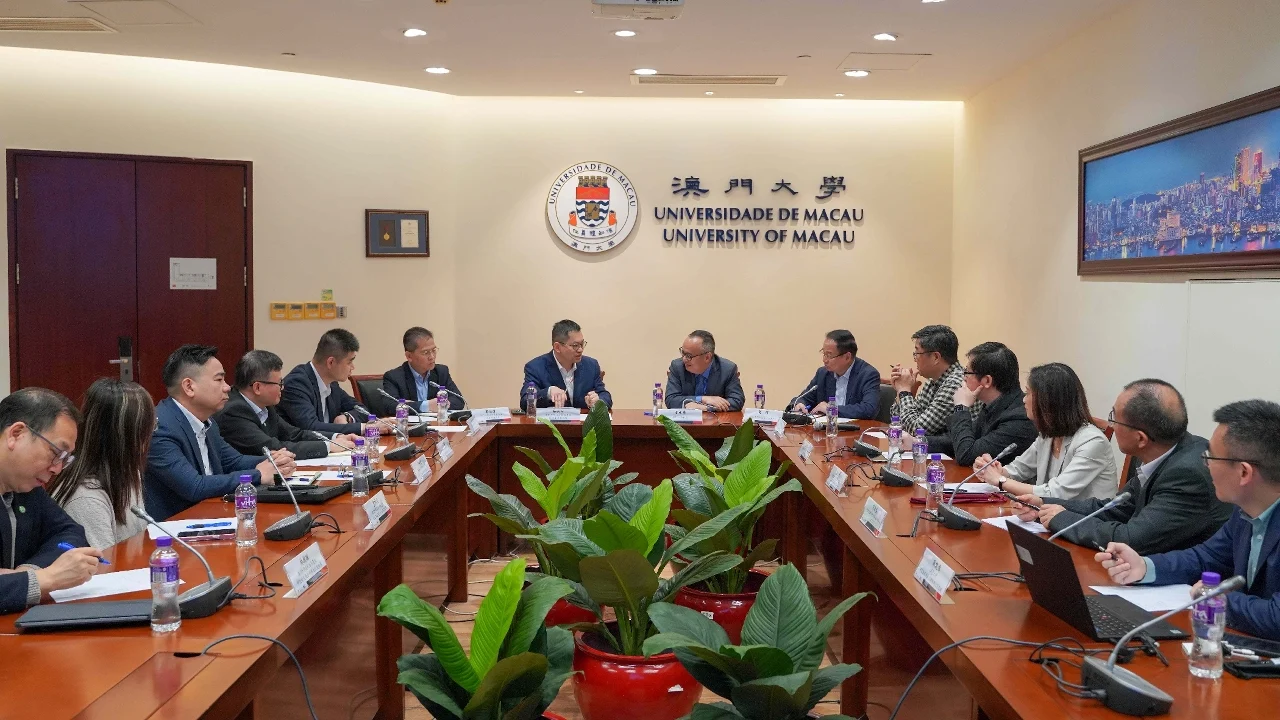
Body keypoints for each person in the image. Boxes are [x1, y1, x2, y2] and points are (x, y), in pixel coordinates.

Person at [1097, 400, 1280, 640]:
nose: (1206, 465)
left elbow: (1277, 617)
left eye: (1211, 457)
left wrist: (1215, 597)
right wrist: (1144, 567)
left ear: (1244, 472)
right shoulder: (1245, 510)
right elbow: (1205, 558)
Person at [1015, 378, 1232, 553]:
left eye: (1114, 418)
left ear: (1140, 438)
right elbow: (1117, 508)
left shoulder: (1187, 475)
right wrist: (1044, 502)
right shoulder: (1160, 450)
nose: (1110, 424)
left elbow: (1130, 539)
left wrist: (1061, 518)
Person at [144, 345, 296, 521]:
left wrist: (274, 460)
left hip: (210, 516)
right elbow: (194, 487)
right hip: (174, 527)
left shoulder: (207, 422)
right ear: (189, 387)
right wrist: (259, 475)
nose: (227, 387)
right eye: (219, 380)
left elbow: (234, 461)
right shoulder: (159, 428)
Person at [0, 388, 104, 615]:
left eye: (65, 459)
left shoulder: (27, 489)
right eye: (56, 452)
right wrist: (45, 579)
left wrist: (27, 573)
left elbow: (71, 534)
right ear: (16, 434)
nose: (57, 468)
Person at [975, 362, 1116, 500]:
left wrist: (1000, 480)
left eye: (1028, 393)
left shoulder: (1093, 442)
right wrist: (994, 470)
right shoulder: (1048, 435)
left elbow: (1056, 492)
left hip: (1084, 515)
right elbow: (1019, 469)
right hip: (1049, 512)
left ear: (1049, 401)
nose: (1024, 400)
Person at [48, 379, 153, 549]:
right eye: (149, 428)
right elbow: (104, 563)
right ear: (131, 437)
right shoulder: (85, 498)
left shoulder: (128, 472)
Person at [214, 350, 359, 461]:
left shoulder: (265, 405)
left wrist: (336, 437)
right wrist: (328, 447)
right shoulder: (234, 411)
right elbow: (273, 447)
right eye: (279, 383)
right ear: (257, 387)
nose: (282, 388)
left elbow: (294, 434)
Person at [927, 342, 1037, 466]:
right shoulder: (994, 404)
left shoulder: (1019, 419)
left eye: (967, 372)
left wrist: (961, 407)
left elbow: (966, 455)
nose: (964, 378)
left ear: (987, 381)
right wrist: (918, 442)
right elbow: (959, 441)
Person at [280, 328, 389, 436]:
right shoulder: (296, 384)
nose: (353, 367)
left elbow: (361, 409)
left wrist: (347, 417)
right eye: (349, 362)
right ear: (331, 362)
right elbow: (311, 427)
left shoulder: (331, 383)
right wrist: (365, 428)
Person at [890, 325, 966, 435]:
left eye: (917, 353)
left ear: (935, 357)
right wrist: (900, 390)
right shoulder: (933, 380)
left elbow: (917, 430)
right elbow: (897, 422)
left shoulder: (956, 383)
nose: (915, 359)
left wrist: (905, 391)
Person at [520, 319, 612, 410]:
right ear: (557, 347)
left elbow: (605, 396)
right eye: (575, 345)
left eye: (582, 344)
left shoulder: (591, 365)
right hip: (552, 420)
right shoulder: (536, 367)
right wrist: (548, 392)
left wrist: (598, 400)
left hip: (584, 420)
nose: (580, 349)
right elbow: (525, 402)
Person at [790, 329, 880, 419]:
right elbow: (803, 398)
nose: (824, 360)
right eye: (824, 354)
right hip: (827, 426)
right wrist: (799, 404)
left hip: (855, 427)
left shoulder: (868, 375)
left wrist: (832, 410)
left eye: (829, 355)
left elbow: (869, 409)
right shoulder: (823, 374)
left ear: (847, 357)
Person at [380, 326, 465, 417]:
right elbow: (390, 407)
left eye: (434, 350)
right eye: (425, 352)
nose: (432, 357)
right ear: (409, 356)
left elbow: (459, 400)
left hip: (438, 423)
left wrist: (412, 404)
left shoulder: (441, 372)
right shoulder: (394, 377)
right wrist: (427, 405)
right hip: (409, 425)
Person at [664, 330, 745, 411]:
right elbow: (671, 400)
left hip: (715, 419)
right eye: (683, 353)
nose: (684, 359)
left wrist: (707, 408)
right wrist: (702, 399)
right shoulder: (677, 367)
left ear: (707, 357)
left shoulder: (727, 369)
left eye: (689, 356)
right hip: (684, 419)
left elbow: (737, 400)